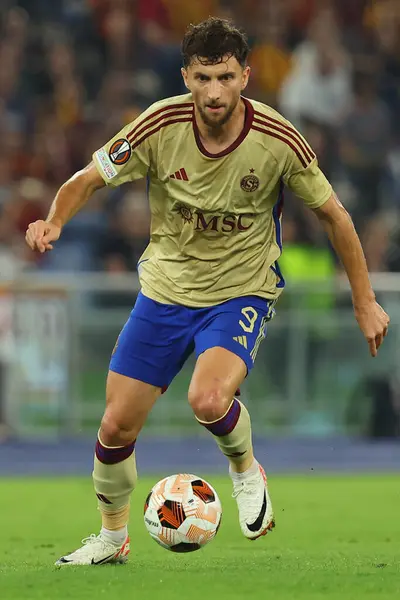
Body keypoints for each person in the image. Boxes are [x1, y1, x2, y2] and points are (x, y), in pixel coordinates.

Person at [25, 17, 390, 567]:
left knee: (208, 399)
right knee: (114, 425)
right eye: (202, 78)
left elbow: (336, 217)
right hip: (165, 291)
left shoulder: (279, 139)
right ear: (185, 77)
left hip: (241, 291)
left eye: (224, 77)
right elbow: (88, 178)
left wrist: (364, 301)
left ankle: (245, 471)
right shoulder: (157, 125)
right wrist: (53, 221)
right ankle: (111, 537)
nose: (214, 91)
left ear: (245, 75)